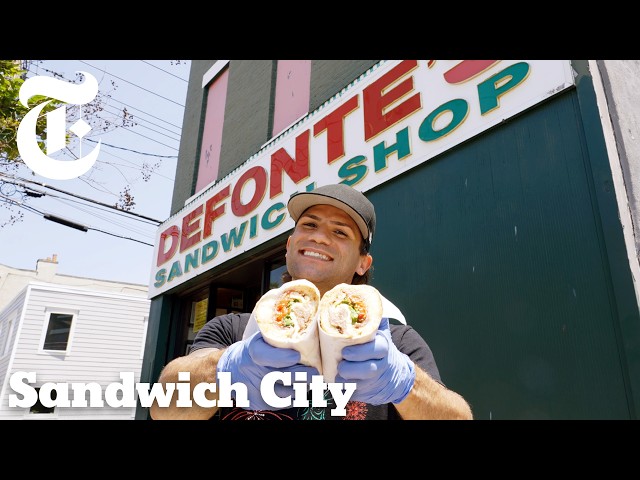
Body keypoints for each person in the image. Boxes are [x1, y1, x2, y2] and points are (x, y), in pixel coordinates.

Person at [150, 184, 473, 420]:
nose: (319, 237)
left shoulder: (395, 342)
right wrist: (224, 368)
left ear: (363, 263)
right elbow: (164, 410)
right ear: (290, 246)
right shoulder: (232, 329)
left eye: (340, 232)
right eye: (309, 225)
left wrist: (406, 383)